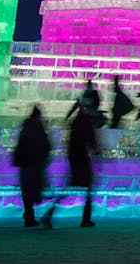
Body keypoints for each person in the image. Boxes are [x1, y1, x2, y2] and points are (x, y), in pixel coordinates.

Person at [41, 94, 99, 228]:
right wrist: (96, 153)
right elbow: (91, 142)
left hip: (74, 159)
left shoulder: (76, 121)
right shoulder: (85, 122)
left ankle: (49, 214)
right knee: (88, 189)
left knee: (69, 189)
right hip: (82, 160)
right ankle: (85, 219)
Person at [12, 105, 52, 227]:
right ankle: (29, 216)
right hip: (34, 164)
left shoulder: (26, 128)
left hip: (25, 164)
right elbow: (45, 145)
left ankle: (28, 215)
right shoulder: (38, 128)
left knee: (27, 191)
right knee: (33, 190)